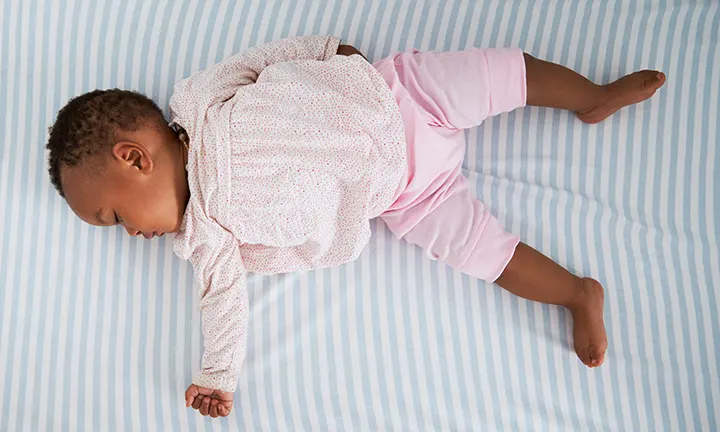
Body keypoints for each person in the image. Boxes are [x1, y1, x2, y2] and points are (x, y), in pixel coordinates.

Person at [46, 35, 665, 418]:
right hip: (405, 193)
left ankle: (591, 96)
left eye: (115, 217)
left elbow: (260, 59)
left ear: (134, 158)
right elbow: (223, 308)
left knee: (502, 72)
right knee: (483, 254)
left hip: (400, 96)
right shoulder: (209, 236)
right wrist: (216, 375)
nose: (129, 235)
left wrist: (324, 49)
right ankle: (577, 293)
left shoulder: (201, 100)